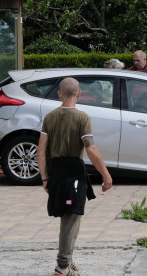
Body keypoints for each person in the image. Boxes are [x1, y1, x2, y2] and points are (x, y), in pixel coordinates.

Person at [37, 77, 112, 276]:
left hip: (56, 171)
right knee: (70, 218)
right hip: (74, 172)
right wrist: (105, 174)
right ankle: (62, 266)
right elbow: (91, 148)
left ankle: (68, 262)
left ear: (59, 94)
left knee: (73, 216)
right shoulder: (82, 118)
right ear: (79, 94)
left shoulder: (50, 117)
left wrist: (45, 177)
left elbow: (40, 150)